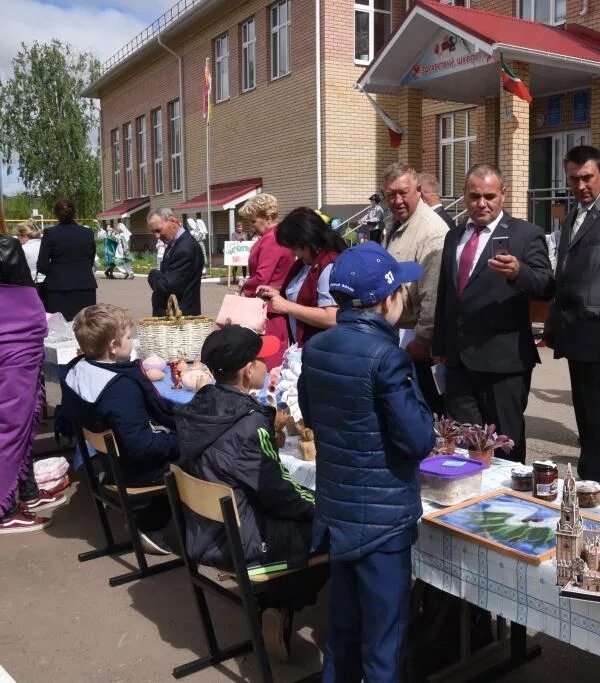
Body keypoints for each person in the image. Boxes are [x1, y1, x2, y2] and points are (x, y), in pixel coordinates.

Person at [299, 243, 435, 682]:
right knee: (383, 642)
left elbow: (313, 414)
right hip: (382, 519)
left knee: (343, 630)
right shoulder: (387, 357)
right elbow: (416, 440)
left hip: (339, 509)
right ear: (386, 300)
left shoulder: (317, 348)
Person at [176, 325, 327, 661]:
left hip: (204, 528)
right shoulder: (247, 424)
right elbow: (278, 493)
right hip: (238, 539)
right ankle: (280, 604)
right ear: (247, 371)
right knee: (331, 530)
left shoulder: (201, 403)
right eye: (262, 360)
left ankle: (276, 600)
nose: (267, 365)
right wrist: (322, 506)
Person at [433, 164, 555, 463]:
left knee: (504, 445)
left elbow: (546, 285)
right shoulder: (454, 236)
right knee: (463, 443)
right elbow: (446, 294)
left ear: (503, 194)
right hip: (459, 361)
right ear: (464, 196)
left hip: (504, 363)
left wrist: (518, 273)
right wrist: (439, 345)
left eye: (489, 196)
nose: (481, 203)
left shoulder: (526, 234)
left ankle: (511, 504)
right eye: (474, 196)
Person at [60, 303, 179, 551]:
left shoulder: (77, 369)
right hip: (134, 469)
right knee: (206, 452)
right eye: (128, 337)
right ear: (113, 347)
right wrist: (183, 441)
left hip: (111, 463)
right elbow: (141, 445)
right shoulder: (119, 387)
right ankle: (150, 524)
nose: (132, 341)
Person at [544, 145, 600, 482]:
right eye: (573, 179)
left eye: (587, 177)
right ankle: (591, 470)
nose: (581, 185)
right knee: (585, 413)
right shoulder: (573, 214)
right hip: (574, 333)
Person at [0, 229, 61, 534]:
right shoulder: (7, 247)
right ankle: (5, 508)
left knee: (22, 424)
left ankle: (23, 493)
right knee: (12, 425)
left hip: (20, 349)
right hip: (14, 350)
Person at [380, 163, 448, 415]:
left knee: (425, 411)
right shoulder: (395, 222)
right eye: (391, 195)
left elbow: (433, 293)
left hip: (415, 340)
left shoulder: (431, 231)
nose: (397, 200)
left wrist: (423, 340)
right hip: (396, 335)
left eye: (403, 192)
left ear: (418, 190)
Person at [256, 207, 346, 348]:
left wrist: (287, 306)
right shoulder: (305, 264)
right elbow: (303, 292)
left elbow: (331, 317)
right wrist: (277, 293)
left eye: (295, 248)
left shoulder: (328, 264)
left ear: (307, 240)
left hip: (323, 350)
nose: (293, 253)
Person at [238, 193, 294, 368]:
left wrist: (244, 283)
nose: (251, 225)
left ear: (267, 217)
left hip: (268, 311)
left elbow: (263, 277)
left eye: (253, 221)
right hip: (268, 307)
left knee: (267, 362)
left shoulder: (272, 239)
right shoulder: (276, 236)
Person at [37, 198, 97, 321]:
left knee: (60, 331)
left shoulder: (50, 233)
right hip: (85, 286)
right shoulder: (87, 233)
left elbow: (42, 265)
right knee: (87, 328)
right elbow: (90, 259)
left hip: (58, 288)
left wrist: (56, 272)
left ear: (56, 214)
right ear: (74, 212)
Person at [147, 207, 205, 316]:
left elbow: (167, 286)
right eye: (153, 232)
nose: (157, 236)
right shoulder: (175, 243)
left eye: (159, 230)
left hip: (179, 319)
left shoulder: (185, 248)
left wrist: (153, 274)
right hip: (173, 316)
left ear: (172, 222)